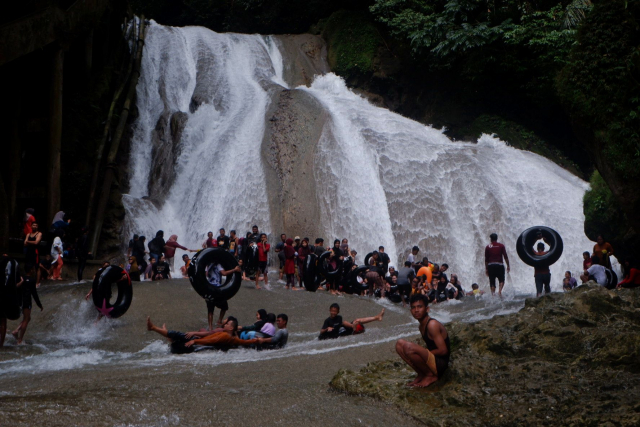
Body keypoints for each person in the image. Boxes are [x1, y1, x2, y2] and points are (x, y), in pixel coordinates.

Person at [395, 294, 450, 388]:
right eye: (413, 308)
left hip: (441, 365)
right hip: (433, 361)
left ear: (427, 309)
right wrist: (423, 354)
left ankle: (430, 375)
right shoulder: (421, 326)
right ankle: (421, 374)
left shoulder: (432, 324)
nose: (416, 310)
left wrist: (423, 353)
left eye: (420, 307)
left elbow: (443, 350)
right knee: (399, 344)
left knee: (409, 347)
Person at [146, 316, 258, 354]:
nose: (225, 323)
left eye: (227, 323)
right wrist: (255, 341)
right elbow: (244, 342)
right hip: (199, 340)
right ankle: (161, 330)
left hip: (198, 343)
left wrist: (195, 341)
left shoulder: (226, 336)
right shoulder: (228, 335)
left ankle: (154, 328)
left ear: (231, 327)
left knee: (178, 336)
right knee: (178, 336)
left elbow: (211, 341)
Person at [203, 263, 241, 330]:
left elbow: (206, 274)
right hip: (217, 289)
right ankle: (219, 321)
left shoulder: (208, 265)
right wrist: (234, 270)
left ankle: (210, 327)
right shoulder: (218, 265)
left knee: (210, 310)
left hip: (209, 289)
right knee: (224, 307)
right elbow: (224, 273)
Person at [11, 264, 43, 344]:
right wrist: (39, 305)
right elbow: (34, 293)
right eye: (33, 269)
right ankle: (20, 339)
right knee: (26, 319)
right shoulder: (32, 280)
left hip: (20, 301)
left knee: (28, 318)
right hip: (27, 301)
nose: (34, 271)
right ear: (31, 270)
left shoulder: (21, 279)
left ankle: (16, 330)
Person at [319, 303, 385, 340]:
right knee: (356, 323)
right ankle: (354, 327)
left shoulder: (339, 317)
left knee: (357, 320)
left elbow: (342, 323)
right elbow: (321, 331)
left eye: (335, 311)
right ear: (329, 311)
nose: (333, 312)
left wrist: (351, 325)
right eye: (332, 311)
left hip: (341, 331)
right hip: (333, 335)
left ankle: (377, 317)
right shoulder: (327, 320)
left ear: (338, 312)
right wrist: (327, 329)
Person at [485, 233, 510, 297]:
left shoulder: (488, 247)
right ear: (497, 238)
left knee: (492, 280)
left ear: (491, 239)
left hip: (491, 265)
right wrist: (508, 265)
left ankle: (493, 294)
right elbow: (505, 256)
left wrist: (486, 269)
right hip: (499, 265)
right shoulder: (501, 246)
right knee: (501, 279)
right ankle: (499, 291)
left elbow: (486, 259)